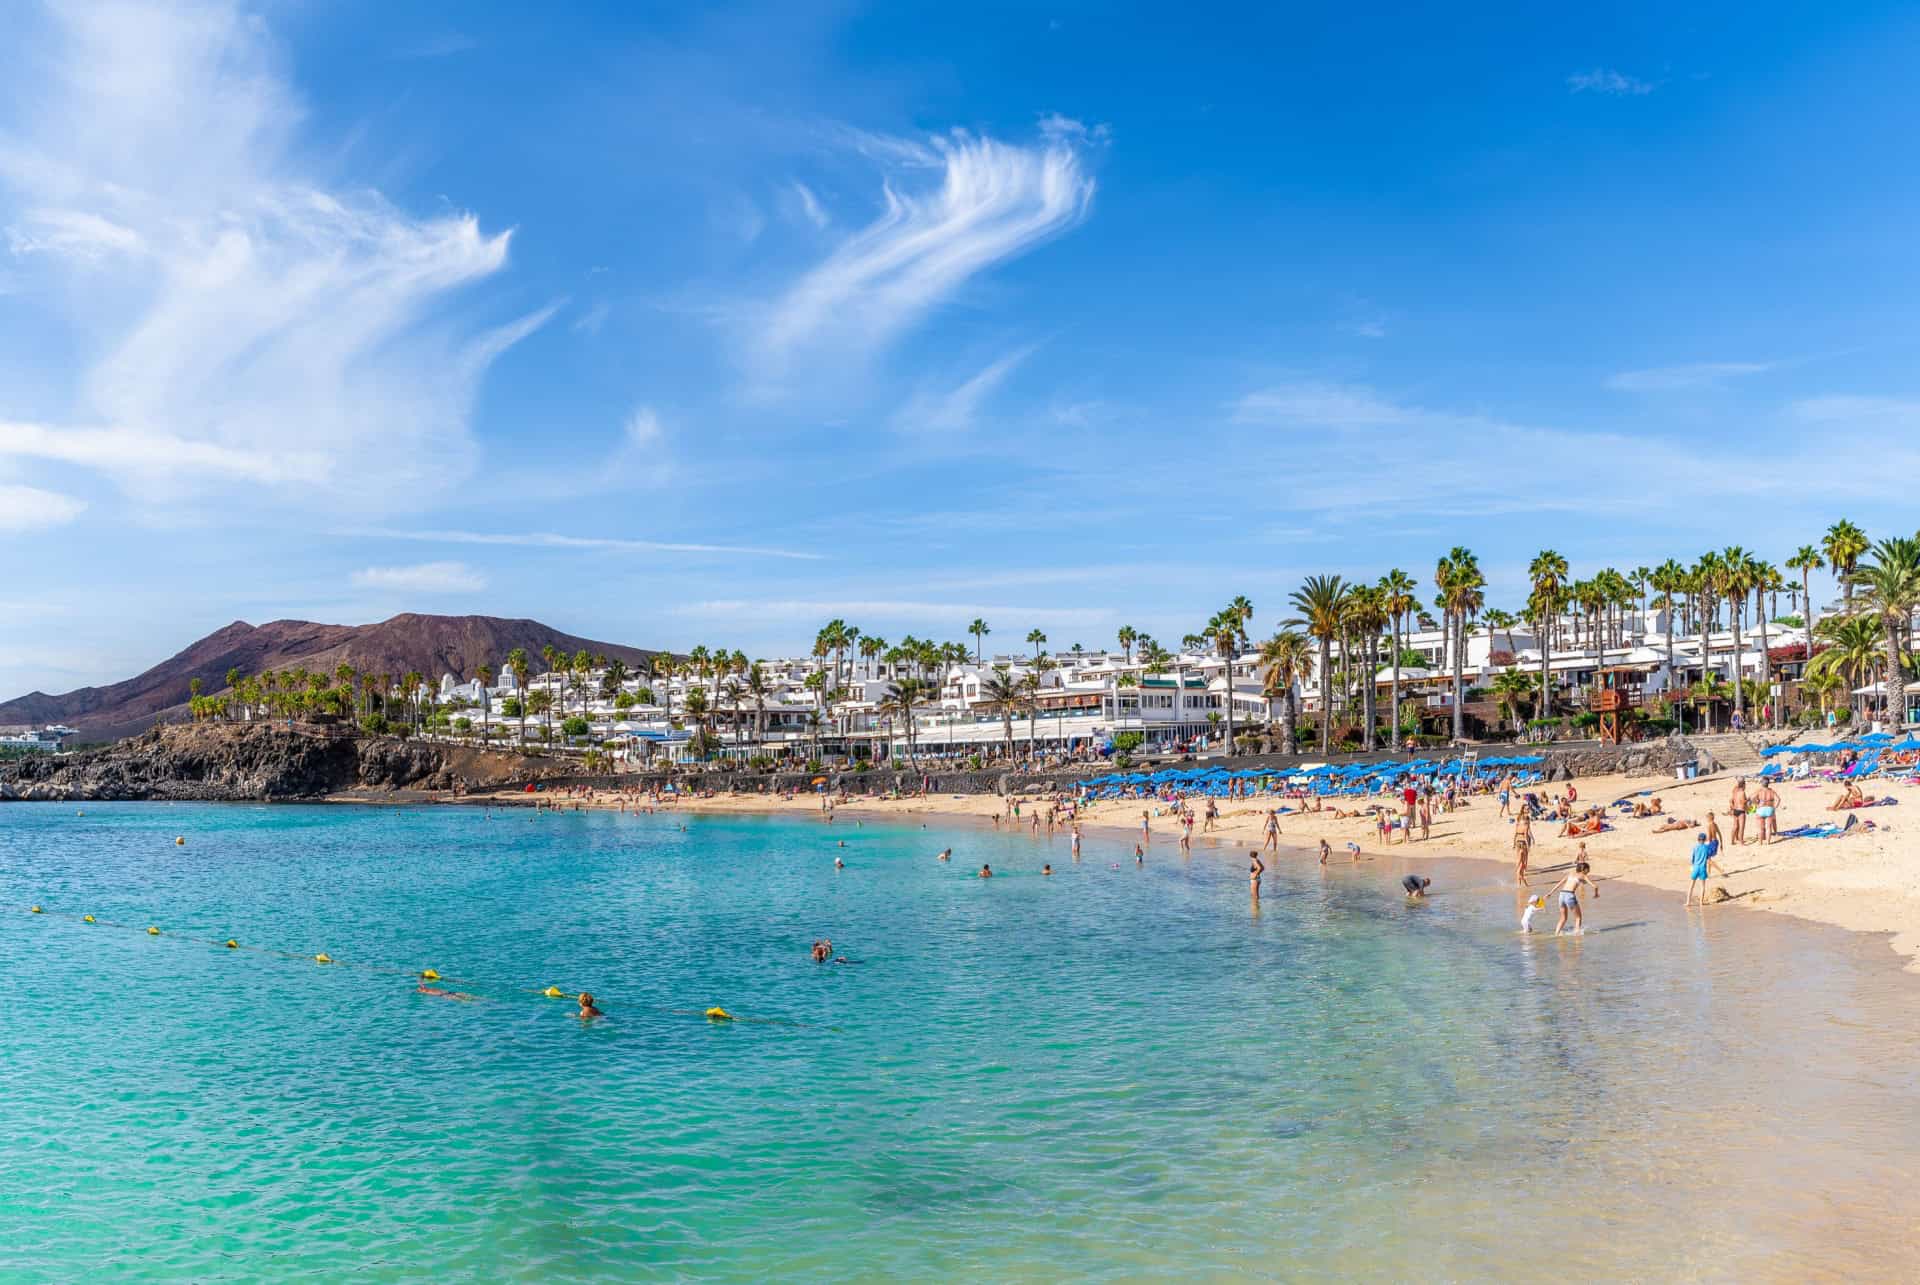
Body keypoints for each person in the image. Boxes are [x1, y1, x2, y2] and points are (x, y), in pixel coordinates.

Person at [1552, 862, 1598, 934]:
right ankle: (1577, 937)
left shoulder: (1570, 874)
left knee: (1563, 918)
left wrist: (1550, 893)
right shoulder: (1583, 875)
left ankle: (1556, 934)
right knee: (1578, 917)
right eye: (1588, 870)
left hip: (1561, 894)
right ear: (1584, 870)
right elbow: (1595, 886)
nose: (1588, 872)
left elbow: (1560, 883)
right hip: (1569, 895)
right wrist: (1596, 894)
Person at [1685, 832, 1727, 906]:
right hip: (1702, 869)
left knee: (1691, 885)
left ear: (1698, 840)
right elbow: (1709, 858)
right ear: (1705, 840)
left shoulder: (1695, 847)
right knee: (1702, 886)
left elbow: (1693, 859)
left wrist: (1693, 865)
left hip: (1695, 868)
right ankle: (1701, 902)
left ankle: (1688, 902)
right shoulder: (1706, 848)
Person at [1729, 778, 1748, 846]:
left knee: (1735, 826)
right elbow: (1743, 802)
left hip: (1735, 810)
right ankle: (1741, 842)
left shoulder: (1735, 792)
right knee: (1741, 827)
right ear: (1743, 785)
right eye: (1745, 785)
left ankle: (1732, 841)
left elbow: (1731, 800)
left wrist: (1731, 808)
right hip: (1741, 811)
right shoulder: (1743, 792)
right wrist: (1747, 801)